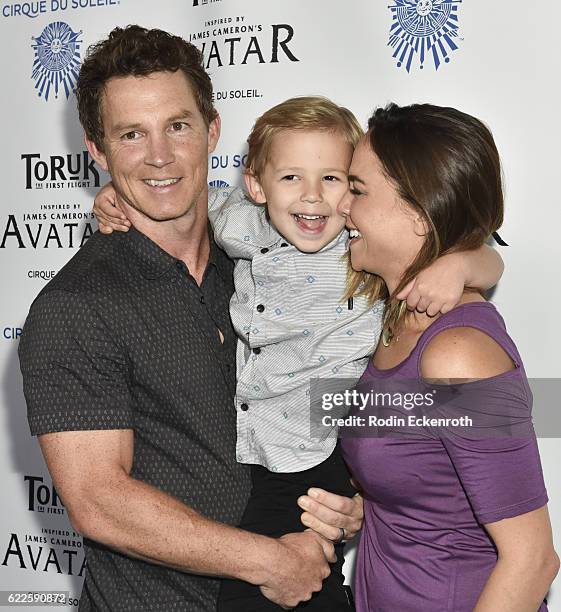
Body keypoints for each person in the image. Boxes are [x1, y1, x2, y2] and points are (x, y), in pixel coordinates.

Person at [94, 95, 505, 610]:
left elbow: (483, 256)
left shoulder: (359, 251)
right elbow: (173, 199)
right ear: (257, 185)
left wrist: (463, 266)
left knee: (276, 587)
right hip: (257, 448)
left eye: (334, 180)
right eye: (291, 179)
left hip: (323, 446)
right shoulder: (240, 222)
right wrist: (117, 196)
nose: (313, 198)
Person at [17, 26, 368, 612]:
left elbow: (338, 395)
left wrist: (350, 500)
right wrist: (269, 560)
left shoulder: (269, 262)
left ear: (212, 129)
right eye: (132, 135)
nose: (160, 156)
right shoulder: (73, 307)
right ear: (97, 152)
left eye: (177, 126)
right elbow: (98, 499)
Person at [338, 103, 559, 611]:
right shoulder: (392, 318)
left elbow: (533, 560)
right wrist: (359, 505)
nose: (341, 206)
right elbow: (427, 484)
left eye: (358, 189)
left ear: (419, 210)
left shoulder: (458, 354)